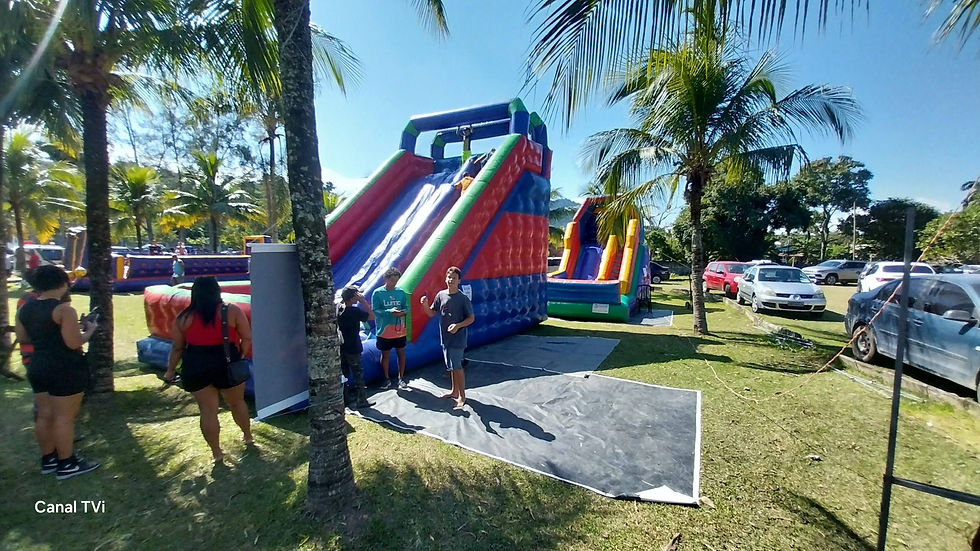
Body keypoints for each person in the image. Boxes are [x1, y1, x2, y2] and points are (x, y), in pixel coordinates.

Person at [15, 265, 99, 479]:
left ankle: (49, 459)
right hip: (63, 366)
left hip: (38, 364)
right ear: (62, 283)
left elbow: (23, 338)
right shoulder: (63, 310)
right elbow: (73, 343)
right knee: (65, 418)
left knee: (44, 414)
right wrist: (89, 330)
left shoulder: (25, 308)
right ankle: (67, 463)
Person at [164, 277, 253, 461]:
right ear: (217, 291)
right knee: (237, 403)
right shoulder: (232, 311)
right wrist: (240, 356)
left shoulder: (183, 318)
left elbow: (177, 348)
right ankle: (248, 436)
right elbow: (247, 338)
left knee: (207, 411)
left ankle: (216, 453)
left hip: (196, 366)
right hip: (227, 363)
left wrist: (170, 371)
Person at [419, 266, 475, 409]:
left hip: (458, 338)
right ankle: (454, 391)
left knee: (457, 366)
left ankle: (462, 395)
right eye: (449, 277)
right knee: (451, 366)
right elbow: (432, 313)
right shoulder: (441, 295)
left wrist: (457, 325)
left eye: (454, 278)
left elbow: (471, 318)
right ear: (445, 279)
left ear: (459, 281)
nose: (451, 280)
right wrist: (425, 305)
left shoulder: (462, 298)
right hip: (445, 338)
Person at [372, 267, 409, 389]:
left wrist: (403, 312)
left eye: (396, 281)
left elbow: (406, 307)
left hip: (399, 330)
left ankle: (401, 378)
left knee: (401, 352)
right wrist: (389, 311)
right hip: (384, 331)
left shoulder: (401, 292)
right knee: (385, 354)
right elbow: (375, 311)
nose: (394, 284)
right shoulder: (377, 293)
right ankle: (386, 379)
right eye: (392, 281)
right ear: (386, 279)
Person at [337, 287, 375, 408]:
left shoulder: (338, 308)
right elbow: (371, 317)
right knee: (358, 374)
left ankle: (344, 399)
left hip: (341, 346)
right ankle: (362, 400)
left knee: (343, 374)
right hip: (353, 346)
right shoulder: (353, 311)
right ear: (353, 297)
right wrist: (363, 301)